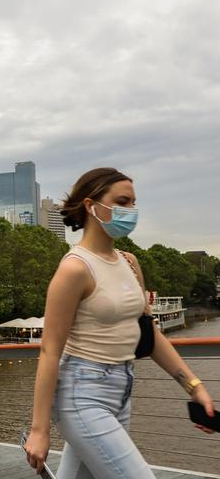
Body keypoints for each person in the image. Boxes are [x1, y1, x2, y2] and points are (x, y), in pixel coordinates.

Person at [24, 167, 216, 478]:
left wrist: (194, 386)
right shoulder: (75, 269)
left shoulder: (130, 262)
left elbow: (148, 335)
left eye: (133, 203)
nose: (131, 211)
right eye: (123, 202)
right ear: (91, 206)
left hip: (121, 391)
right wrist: (39, 429)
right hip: (82, 394)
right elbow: (49, 352)